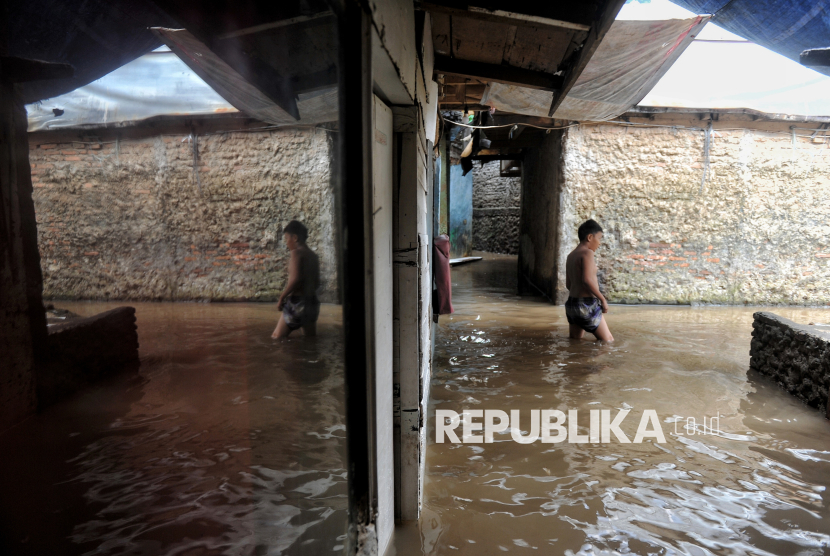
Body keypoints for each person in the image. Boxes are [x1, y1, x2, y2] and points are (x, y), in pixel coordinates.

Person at [565, 219, 614, 342]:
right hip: (587, 305)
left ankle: (576, 361)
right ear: (590, 237)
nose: (600, 243)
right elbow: (586, 280)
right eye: (599, 238)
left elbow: (568, 284)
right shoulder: (588, 253)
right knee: (608, 341)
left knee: (575, 342)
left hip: (572, 305)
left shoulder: (571, 256)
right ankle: (592, 361)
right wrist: (602, 299)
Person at [272, 221, 321, 339]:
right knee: (310, 341)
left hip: (297, 303)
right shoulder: (313, 256)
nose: (286, 243)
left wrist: (282, 297)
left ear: (295, 238)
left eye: (286, 238)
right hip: (312, 303)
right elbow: (317, 283)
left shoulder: (296, 253)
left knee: (276, 338)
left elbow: (295, 279)